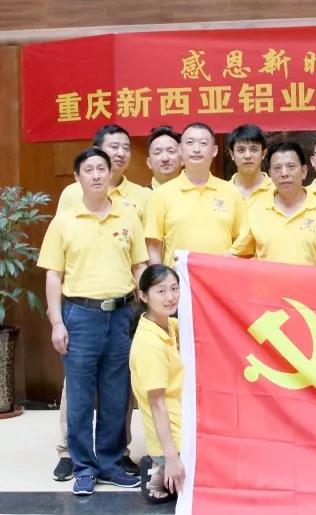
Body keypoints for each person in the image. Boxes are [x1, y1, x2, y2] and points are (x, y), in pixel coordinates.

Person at [38, 147, 148, 496]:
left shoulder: (128, 217)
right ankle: (83, 467)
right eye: (89, 170)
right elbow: (53, 276)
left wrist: (148, 305)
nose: (97, 175)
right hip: (79, 316)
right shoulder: (64, 221)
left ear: (111, 174)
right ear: (77, 177)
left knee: (117, 394)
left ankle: (111, 463)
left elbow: (140, 266)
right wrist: (57, 322)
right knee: (81, 396)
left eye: (102, 168)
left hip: (121, 315)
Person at [145, 122, 245, 266]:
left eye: (203, 143)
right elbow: (153, 248)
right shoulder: (161, 194)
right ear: (180, 149)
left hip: (221, 277)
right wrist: (161, 279)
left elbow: (241, 243)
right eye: (190, 143)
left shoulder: (231, 192)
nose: (196, 149)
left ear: (214, 150)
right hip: (178, 279)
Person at [230, 141, 316, 266]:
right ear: (270, 174)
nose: (284, 173)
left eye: (291, 166)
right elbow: (238, 255)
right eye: (277, 168)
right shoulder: (256, 208)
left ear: (304, 171)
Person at [129, 264, 185, 504]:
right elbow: (157, 404)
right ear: (143, 296)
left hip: (183, 414)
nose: (170, 297)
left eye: (174, 288)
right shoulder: (149, 345)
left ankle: (164, 465)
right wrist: (171, 457)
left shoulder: (168, 324)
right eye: (161, 291)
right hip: (170, 433)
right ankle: (159, 471)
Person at [57, 124, 151, 221]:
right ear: (97, 150)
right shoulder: (72, 192)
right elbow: (61, 228)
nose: (121, 154)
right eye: (114, 147)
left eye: (126, 148)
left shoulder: (143, 195)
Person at [227, 123, 272, 207]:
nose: (247, 156)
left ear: (263, 153)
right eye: (241, 150)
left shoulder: (277, 189)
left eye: (253, 149)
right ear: (232, 154)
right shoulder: (223, 191)